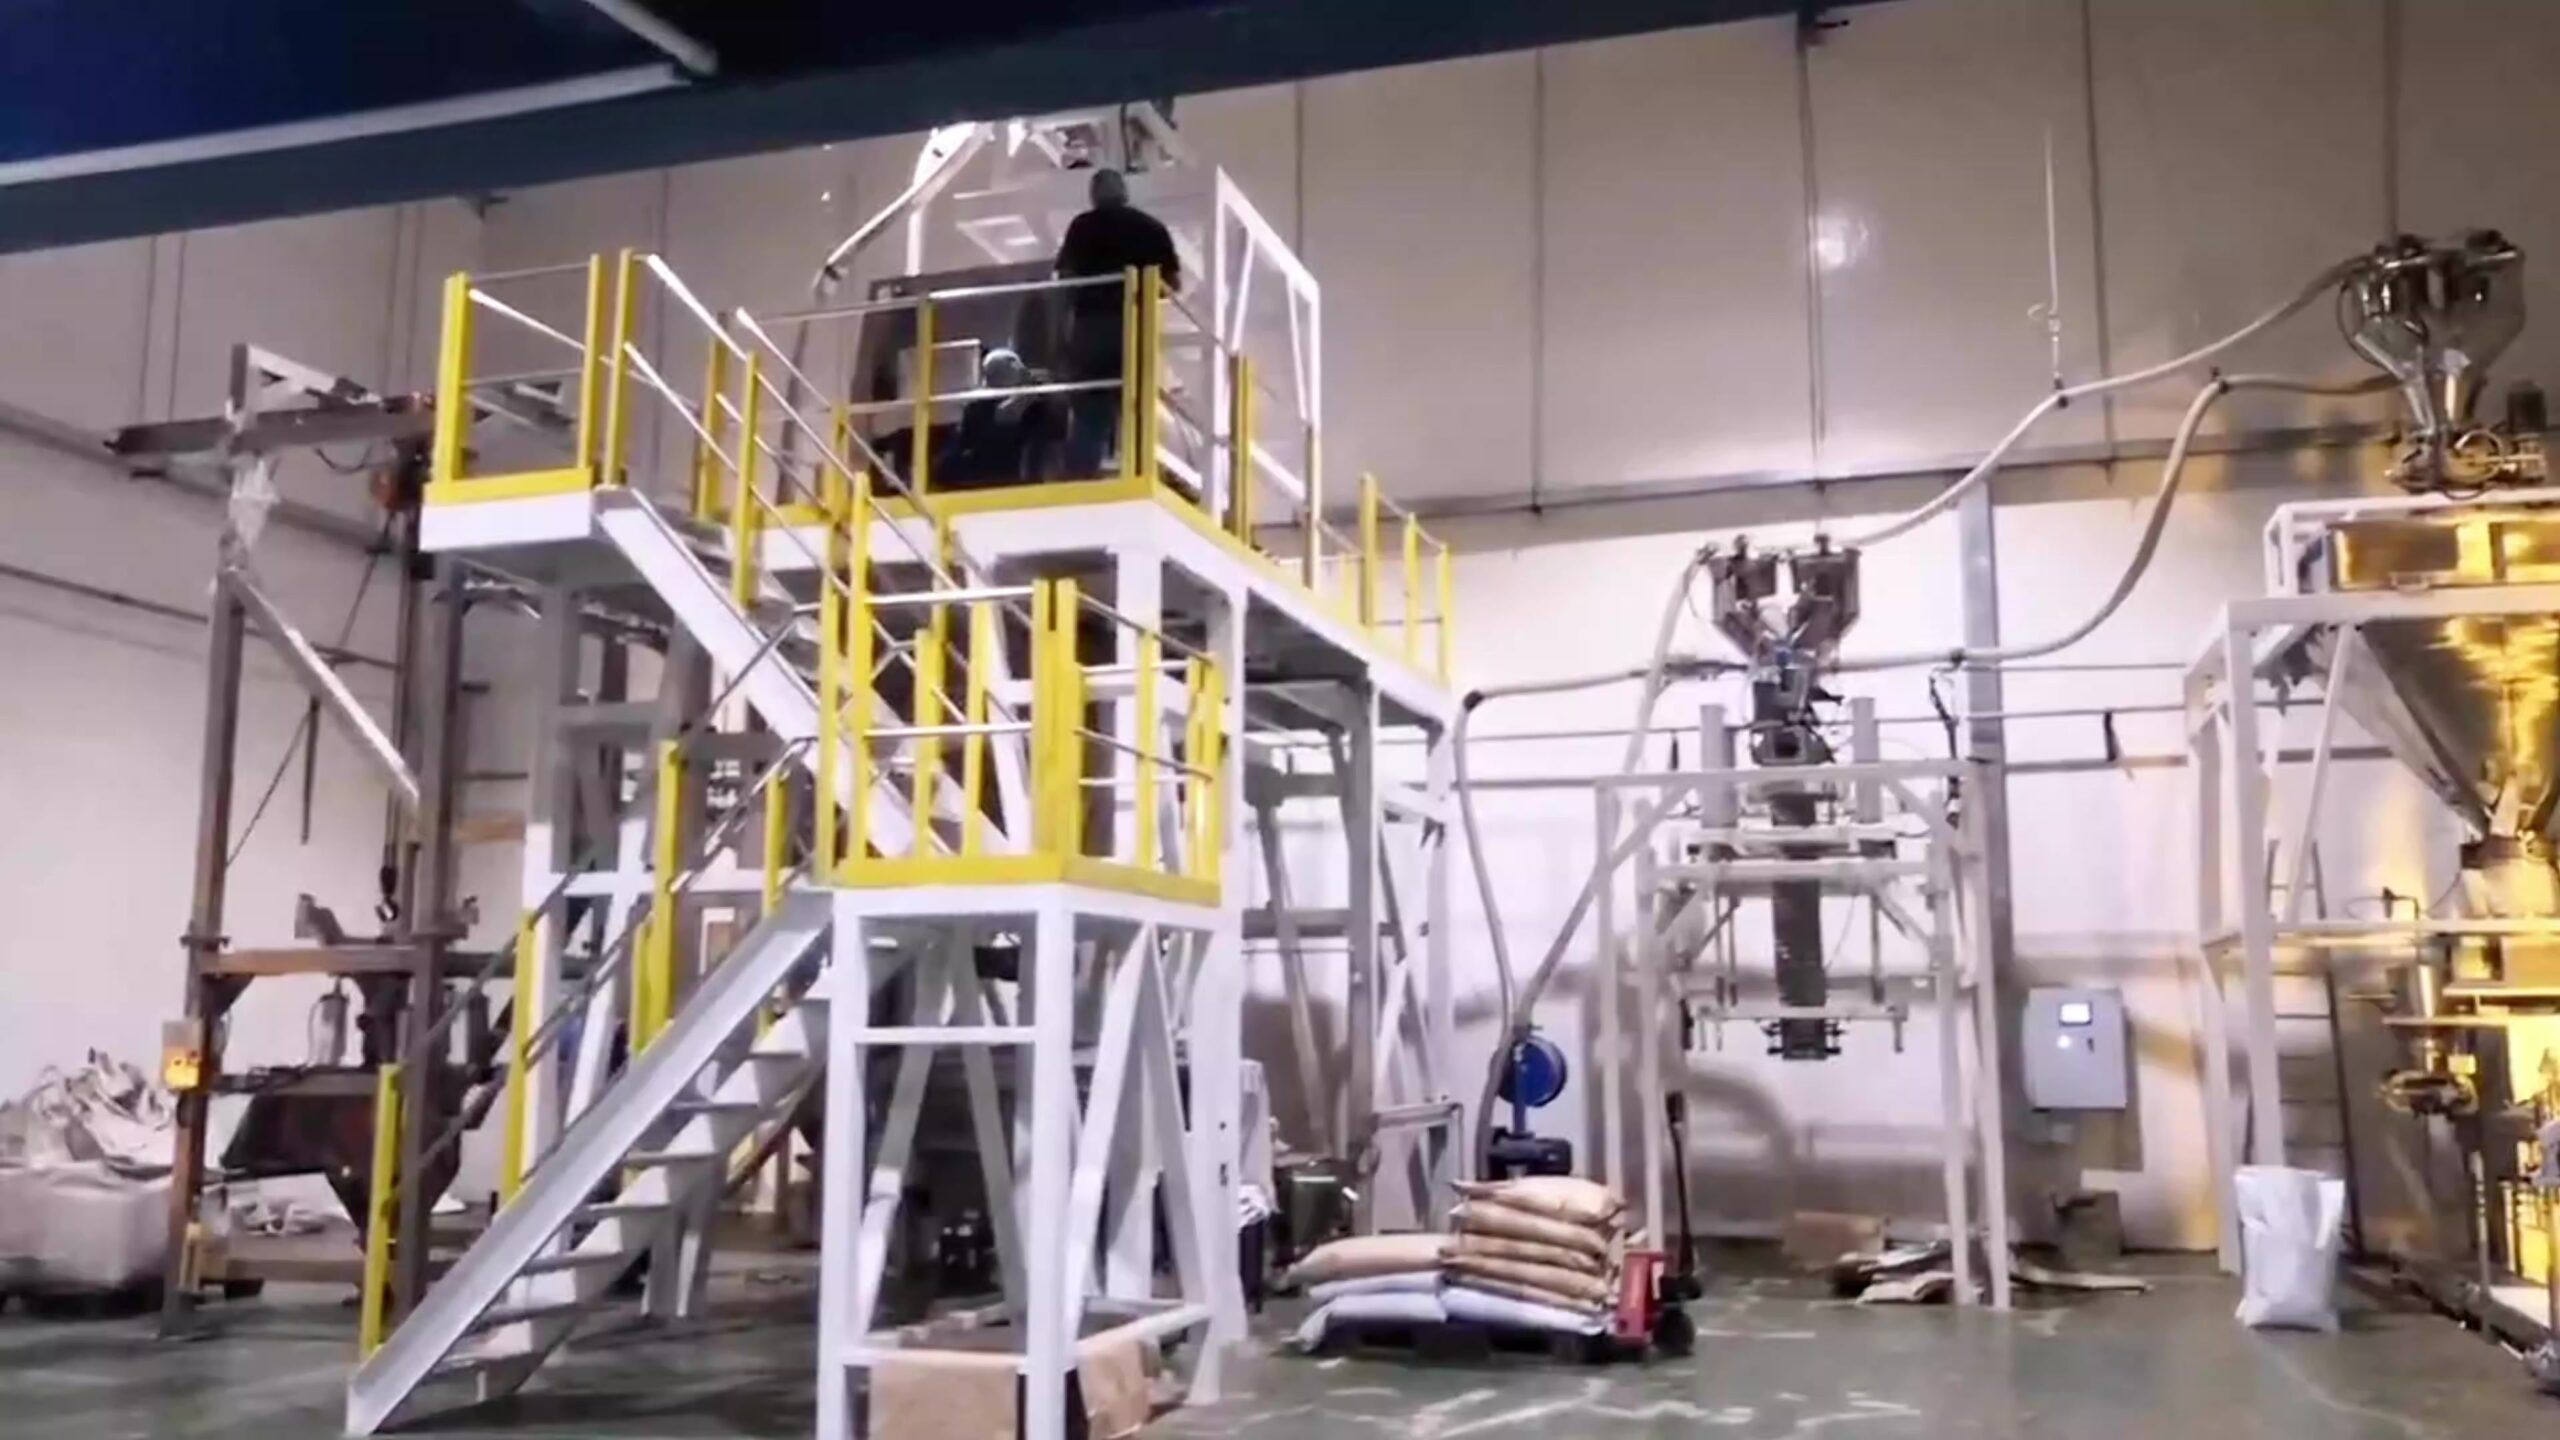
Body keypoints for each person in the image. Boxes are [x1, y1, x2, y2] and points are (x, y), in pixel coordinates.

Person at [1054, 169, 1180, 477]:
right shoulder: (1150, 228)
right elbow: (1173, 284)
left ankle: (1081, 475)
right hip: (1136, 325)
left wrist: (1061, 335)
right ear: (1123, 192)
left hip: (1092, 328)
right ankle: (1141, 470)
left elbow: (1066, 282)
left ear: (1094, 195)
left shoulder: (1082, 227)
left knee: (1091, 408)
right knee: (1138, 403)